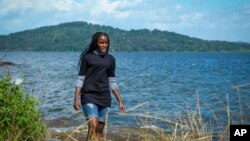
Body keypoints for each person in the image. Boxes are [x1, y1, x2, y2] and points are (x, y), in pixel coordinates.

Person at [74, 32, 125, 141]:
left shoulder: (111, 59)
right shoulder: (87, 57)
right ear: (96, 43)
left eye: (106, 43)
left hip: (105, 98)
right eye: (101, 43)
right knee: (93, 127)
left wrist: (120, 101)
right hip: (89, 95)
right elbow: (80, 79)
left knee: (99, 131)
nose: (104, 45)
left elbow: (112, 81)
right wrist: (76, 98)